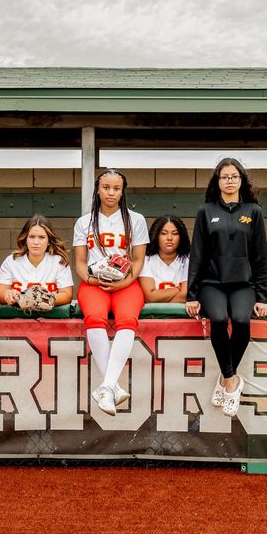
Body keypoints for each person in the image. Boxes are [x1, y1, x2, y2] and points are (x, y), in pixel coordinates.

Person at [186, 159, 267, 417]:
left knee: (243, 322)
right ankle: (232, 381)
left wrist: (262, 296)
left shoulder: (253, 211)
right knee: (220, 319)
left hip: (243, 284)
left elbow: (259, 257)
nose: (230, 180)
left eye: (234, 176)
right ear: (217, 181)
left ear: (241, 180)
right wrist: (192, 294)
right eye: (224, 177)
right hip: (212, 284)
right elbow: (197, 254)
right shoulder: (206, 211)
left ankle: (224, 379)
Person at [73, 169, 149, 416]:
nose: (111, 192)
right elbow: (80, 263)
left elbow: (138, 259)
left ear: (122, 191)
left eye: (116, 188)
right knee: (95, 319)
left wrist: (125, 282)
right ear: (98, 189)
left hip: (126, 283)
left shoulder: (135, 219)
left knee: (127, 321)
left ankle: (105, 386)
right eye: (106, 187)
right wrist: (91, 279)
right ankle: (112, 386)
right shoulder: (84, 222)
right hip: (94, 283)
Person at [0, 214, 74, 308]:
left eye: (41, 237)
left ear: (48, 241)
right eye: (32, 237)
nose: (36, 242)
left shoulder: (59, 261)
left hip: (49, 319)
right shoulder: (11, 261)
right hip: (18, 318)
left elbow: (67, 295)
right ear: (25, 239)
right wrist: (7, 294)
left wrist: (42, 300)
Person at [140, 214, 190, 303]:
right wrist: (176, 289)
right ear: (156, 235)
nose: (169, 238)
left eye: (175, 233)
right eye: (163, 233)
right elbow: (150, 297)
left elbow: (184, 296)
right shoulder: (146, 260)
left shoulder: (187, 260)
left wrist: (159, 301)